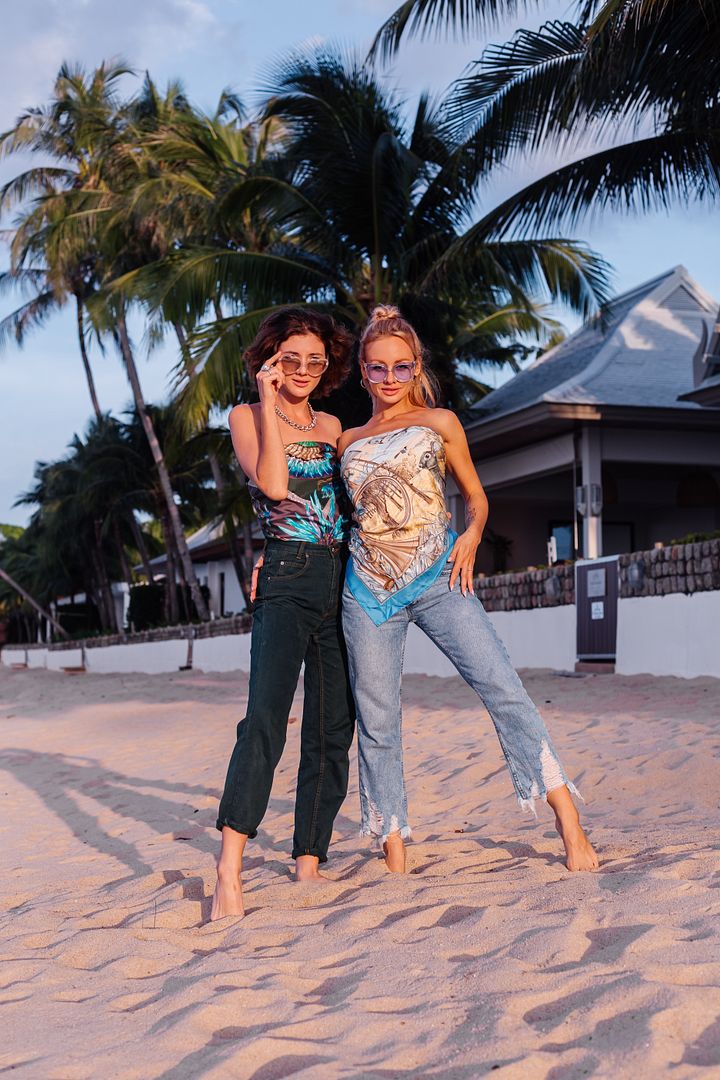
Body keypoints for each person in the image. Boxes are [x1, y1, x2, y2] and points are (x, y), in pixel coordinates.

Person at [337, 306, 598, 875]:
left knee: (503, 689)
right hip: (366, 593)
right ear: (362, 371)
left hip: (439, 577)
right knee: (378, 720)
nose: (389, 380)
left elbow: (476, 498)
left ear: (415, 368)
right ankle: (396, 850)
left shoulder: (440, 423)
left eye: (400, 368)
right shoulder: (348, 440)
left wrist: (473, 535)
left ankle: (567, 821)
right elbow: (338, 518)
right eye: (377, 369)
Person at [211, 308, 356, 920]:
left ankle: (308, 859)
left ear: (328, 367)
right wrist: (267, 400)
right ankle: (229, 870)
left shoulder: (334, 424)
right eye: (290, 358)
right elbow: (273, 485)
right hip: (288, 575)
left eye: (314, 360)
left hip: (340, 575)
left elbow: (352, 506)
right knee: (265, 720)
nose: (302, 369)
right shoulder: (246, 416)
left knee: (332, 725)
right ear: (270, 358)